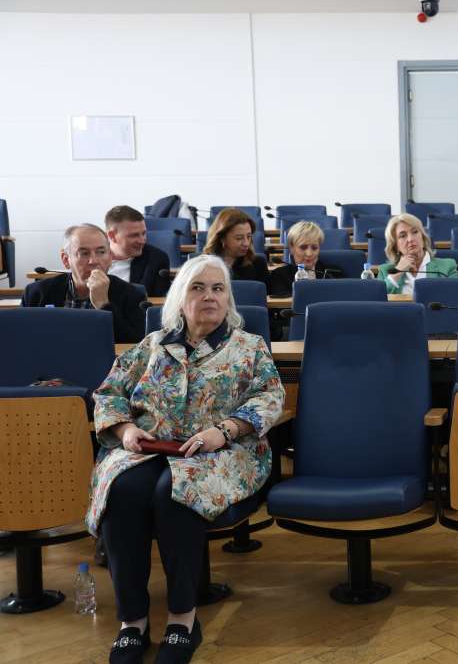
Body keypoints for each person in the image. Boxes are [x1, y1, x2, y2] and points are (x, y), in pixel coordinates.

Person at [89, 254, 284, 664]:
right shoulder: (153, 345)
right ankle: (132, 622)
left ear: (228, 298)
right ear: (181, 297)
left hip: (222, 452)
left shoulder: (249, 348)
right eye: (198, 288)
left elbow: (270, 398)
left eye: (217, 288)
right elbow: (109, 393)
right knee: (122, 491)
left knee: (174, 493)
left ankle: (182, 619)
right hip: (147, 451)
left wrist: (225, 430)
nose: (209, 296)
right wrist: (125, 430)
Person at [22, 223, 145, 343]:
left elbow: (134, 345)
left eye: (101, 252)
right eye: (84, 253)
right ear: (66, 260)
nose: (93, 261)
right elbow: (22, 338)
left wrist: (103, 304)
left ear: (110, 257)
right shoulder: (37, 293)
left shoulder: (131, 295)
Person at [376, 213, 458, 295]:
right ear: (395, 245)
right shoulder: (384, 271)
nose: (410, 239)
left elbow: (456, 294)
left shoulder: (448, 266)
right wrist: (397, 272)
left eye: (415, 232)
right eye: (403, 236)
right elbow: (378, 297)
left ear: (423, 237)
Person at [105, 205, 171, 296]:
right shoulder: (92, 258)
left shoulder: (156, 259)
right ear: (112, 236)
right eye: (134, 235)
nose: (142, 241)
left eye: (143, 233)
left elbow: (159, 300)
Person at [204, 207, 270, 287]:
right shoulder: (204, 265)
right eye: (239, 238)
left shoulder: (258, 264)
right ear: (222, 238)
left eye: (249, 236)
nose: (246, 243)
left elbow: (265, 293)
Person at [269, 220, 329, 296]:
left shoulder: (332, 273)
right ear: (291, 248)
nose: (309, 253)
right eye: (303, 247)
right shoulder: (279, 276)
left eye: (314, 248)